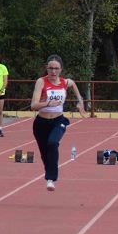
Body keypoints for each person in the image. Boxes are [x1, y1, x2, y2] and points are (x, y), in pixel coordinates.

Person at [30, 55, 86, 191]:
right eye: (50, 68)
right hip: (41, 123)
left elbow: (73, 84)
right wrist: (48, 103)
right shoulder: (41, 82)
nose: (53, 72)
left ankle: (51, 178)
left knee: (53, 143)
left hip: (58, 120)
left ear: (61, 69)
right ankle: (49, 174)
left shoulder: (64, 82)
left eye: (56, 68)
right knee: (44, 153)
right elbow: (33, 105)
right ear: (46, 68)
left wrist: (80, 101)